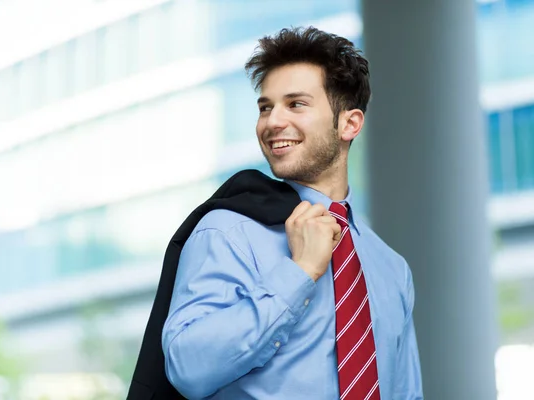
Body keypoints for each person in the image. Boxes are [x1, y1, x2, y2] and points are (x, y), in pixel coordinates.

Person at [161, 26, 423, 399]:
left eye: (295, 104)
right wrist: (298, 274)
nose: (271, 122)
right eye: (265, 107)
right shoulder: (226, 232)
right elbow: (187, 368)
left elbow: (405, 392)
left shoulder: (391, 268)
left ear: (349, 123)